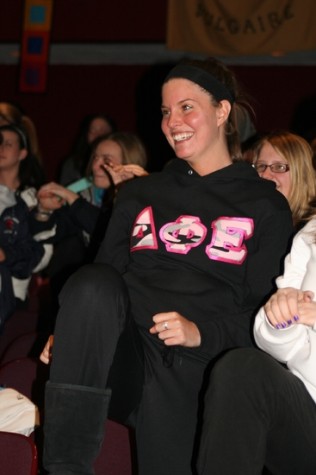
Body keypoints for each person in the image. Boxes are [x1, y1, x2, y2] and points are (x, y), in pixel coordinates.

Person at [42, 57, 294, 475]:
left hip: (202, 366)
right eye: (165, 111)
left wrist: (200, 333)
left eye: (186, 107)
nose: (172, 120)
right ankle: (64, 468)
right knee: (90, 285)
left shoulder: (264, 204)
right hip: (128, 356)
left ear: (222, 111)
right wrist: (74, 331)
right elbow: (104, 277)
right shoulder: (141, 193)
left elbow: (262, 315)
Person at [197, 199, 316, 475]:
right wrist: (281, 318)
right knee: (242, 368)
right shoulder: (310, 233)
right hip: (307, 409)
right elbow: (279, 345)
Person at [34, 131, 148, 319]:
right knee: (70, 246)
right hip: (88, 288)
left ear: (128, 164)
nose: (96, 166)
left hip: (127, 287)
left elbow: (108, 231)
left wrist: (71, 197)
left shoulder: (144, 197)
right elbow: (55, 231)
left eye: (106, 160)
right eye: (95, 157)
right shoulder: (87, 195)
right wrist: (43, 211)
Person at [0, 123, 49, 304]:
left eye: (8, 144)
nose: (1, 148)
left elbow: (43, 255)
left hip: (12, 286)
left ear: (22, 153)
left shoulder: (35, 198)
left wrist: (7, 254)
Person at [252, 131, 316, 230]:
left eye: (279, 167)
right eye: (261, 166)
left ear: (302, 174)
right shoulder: (250, 221)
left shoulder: (311, 232)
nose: (265, 175)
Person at [58, 112, 117, 185]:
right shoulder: (71, 164)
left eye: (103, 130)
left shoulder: (122, 162)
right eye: (93, 130)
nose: (97, 135)